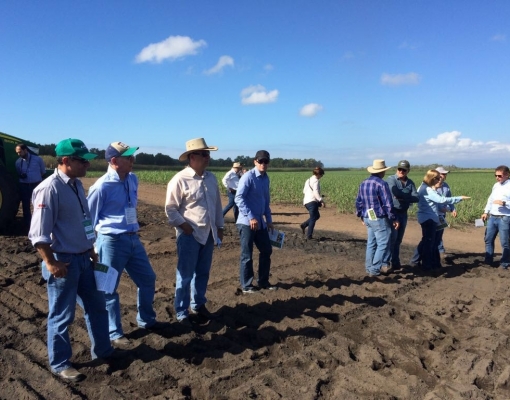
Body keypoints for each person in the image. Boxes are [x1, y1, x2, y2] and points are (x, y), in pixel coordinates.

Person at [28, 138, 121, 382]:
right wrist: (51, 263)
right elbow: (38, 234)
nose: (87, 165)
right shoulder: (49, 189)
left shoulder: (76, 185)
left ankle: (103, 350)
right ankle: (60, 363)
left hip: (83, 258)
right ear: (66, 160)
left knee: (97, 307)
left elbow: (83, 219)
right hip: (63, 262)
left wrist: (90, 248)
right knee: (62, 315)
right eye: (82, 161)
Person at [88, 142, 164, 347]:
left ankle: (146, 320)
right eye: (128, 157)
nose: (133, 160)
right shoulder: (101, 186)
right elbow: (89, 219)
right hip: (110, 241)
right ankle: (114, 332)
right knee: (108, 288)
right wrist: (92, 247)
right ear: (114, 161)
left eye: (132, 156)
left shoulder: (132, 179)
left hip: (133, 238)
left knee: (148, 279)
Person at [165, 138, 224, 325]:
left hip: (208, 234)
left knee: (203, 273)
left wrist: (220, 227)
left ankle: (198, 304)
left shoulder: (211, 178)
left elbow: (216, 205)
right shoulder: (180, 179)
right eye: (204, 154)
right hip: (189, 235)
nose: (208, 157)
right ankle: (182, 311)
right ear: (192, 157)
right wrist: (185, 226)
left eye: (208, 154)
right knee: (185, 275)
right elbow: (170, 209)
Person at [235, 150, 276, 293]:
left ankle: (263, 281)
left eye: (266, 161)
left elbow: (266, 201)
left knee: (266, 250)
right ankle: (246, 285)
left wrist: (269, 220)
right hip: (246, 222)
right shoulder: (248, 177)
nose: (263, 164)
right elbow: (239, 198)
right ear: (255, 161)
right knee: (247, 254)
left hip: (260, 222)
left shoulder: (266, 178)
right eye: (260, 161)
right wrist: (251, 217)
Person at [413, 170, 468, 271]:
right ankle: (427, 265)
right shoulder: (427, 190)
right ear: (432, 178)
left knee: (429, 241)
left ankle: (428, 263)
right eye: (438, 178)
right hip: (430, 218)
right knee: (429, 242)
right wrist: (460, 198)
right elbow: (441, 200)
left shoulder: (424, 187)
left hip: (431, 218)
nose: (440, 179)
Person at [356, 160, 399, 277]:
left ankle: (369, 268)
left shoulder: (363, 183)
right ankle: (375, 269)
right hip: (378, 218)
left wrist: (360, 215)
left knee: (371, 243)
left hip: (367, 217)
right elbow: (388, 204)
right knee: (384, 243)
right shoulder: (381, 184)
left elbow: (359, 201)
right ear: (382, 171)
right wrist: (394, 218)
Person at [384, 160, 418, 269]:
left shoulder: (410, 183)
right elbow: (395, 192)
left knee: (399, 239)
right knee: (392, 238)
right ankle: (386, 263)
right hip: (393, 213)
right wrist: (407, 197)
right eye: (400, 169)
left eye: (404, 170)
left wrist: (403, 197)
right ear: (396, 169)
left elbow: (416, 197)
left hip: (403, 213)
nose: (401, 171)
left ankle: (395, 262)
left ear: (408, 171)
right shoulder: (391, 179)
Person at [481, 165, 510, 269]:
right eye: (495, 175)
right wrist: (485, 212)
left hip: (505, 218)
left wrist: (504, 203)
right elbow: (490, 199)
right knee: (488, 239)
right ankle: (488, 261)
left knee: (505, 242)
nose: (497, 178)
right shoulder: (496, 185)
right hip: (492, 217)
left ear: (507, 175)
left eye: (499, 176)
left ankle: (505, 263)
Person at [15, 143, 46, 228]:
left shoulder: (38, 159)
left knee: (39, 204)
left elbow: (43, 172)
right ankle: (28, 224)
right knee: (25, 205)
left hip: (36, 185)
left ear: (25, 150)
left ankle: (39, 222)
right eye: (17, 153)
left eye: (20, 152)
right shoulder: (18, 162)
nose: (18, 154)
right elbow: (19, 173)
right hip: (24, 185)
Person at [435, 167, 457, 258]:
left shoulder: (446, 186)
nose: (444, 176)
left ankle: (440, 251)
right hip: (433, 214)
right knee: (432, 235)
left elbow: (449, 199)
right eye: (443, 174)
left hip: (442, 215)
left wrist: (453, 209)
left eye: (445, 174)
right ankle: (437, 251)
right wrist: (440, 208)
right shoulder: (431, 186)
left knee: (439, 233)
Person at [300, 166, 326, 240]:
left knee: (316, 216)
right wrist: (321, 200)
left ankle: (304, 225)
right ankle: (309, 236)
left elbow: (304, 191)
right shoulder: (316, 181)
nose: (321, 177)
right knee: (313, 218)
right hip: (312, 202)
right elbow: (315, 192)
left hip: (306, 202)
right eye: (321, 175)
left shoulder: (308, 180)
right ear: (318, 174)